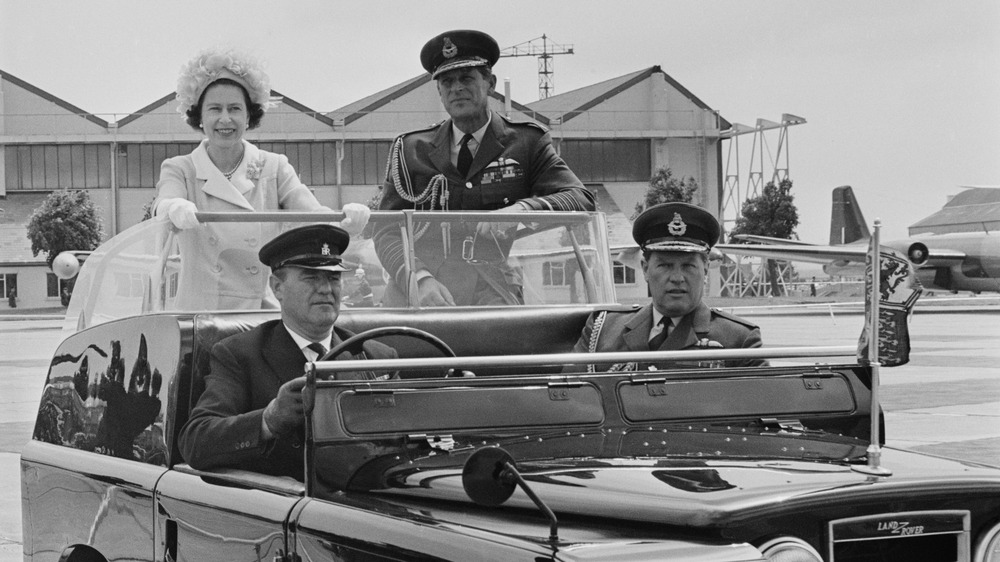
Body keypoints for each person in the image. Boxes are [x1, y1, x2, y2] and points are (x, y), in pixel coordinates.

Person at [374, 30, 595, 307]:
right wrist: (418, 278)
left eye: (467, 78)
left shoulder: (526, 143)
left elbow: (581, 199)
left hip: (491, 288)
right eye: (447, 81)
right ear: (439, 91)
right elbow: (385, 230)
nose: (457, 88)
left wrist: (519, 210)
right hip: (417, 288)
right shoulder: (410, 148)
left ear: (489, 83)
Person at [154, 48, 370, 310]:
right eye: (214, 109)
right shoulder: (180, 168)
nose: (225, 119)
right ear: (199, 116)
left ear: (249, 116)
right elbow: (164, 205)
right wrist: (175, 208)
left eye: (234, 108)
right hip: (199, 315)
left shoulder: (274, 167)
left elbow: (314, 217)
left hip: (259, 311)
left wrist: (346, 219)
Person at [178, 224, 398, 480]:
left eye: (333, 277)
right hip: (284, 507)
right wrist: (268, 420)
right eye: (311, 278)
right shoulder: (239, 355)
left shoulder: (376, 357)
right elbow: (196, 441)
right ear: (277, 288)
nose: (326, 289)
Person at [568, 202, 765, 372]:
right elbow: (569, 400)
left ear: (705, 269)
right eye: (664, 265)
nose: (677, 278)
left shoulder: (739, 341)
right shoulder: (603, 328)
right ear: (645, 269)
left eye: (688, 266)